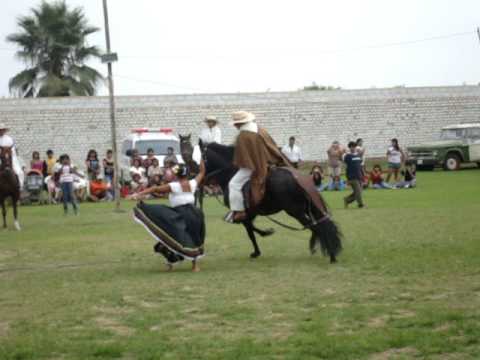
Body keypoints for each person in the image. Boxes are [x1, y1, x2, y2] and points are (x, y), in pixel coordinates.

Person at [130, 161, 206, 272]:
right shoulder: (192, 183)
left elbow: (155, 189)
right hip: (195, 214)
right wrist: (201, 160)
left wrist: (138, 194)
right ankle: (192, 265)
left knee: (172, 234)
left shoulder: (174, 186)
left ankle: (174, 262)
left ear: (177, 175)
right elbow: (202, 172)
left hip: (181, 214)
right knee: (192, 238)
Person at [226, 111, 290, 223]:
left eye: (236, 124)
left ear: (239, 123)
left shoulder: (243, 135)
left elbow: (244, 158)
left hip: (254, 166)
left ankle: (239, 211)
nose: (235, 126)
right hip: (269, 161)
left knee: (234, 184)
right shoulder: (260, 129)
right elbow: (271, 145)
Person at [0, 123, 24, 188]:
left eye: (2, 129)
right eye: (0, 130)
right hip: (0, 158)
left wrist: (9, 156)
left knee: (19, 172)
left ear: (5, 130)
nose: (1, 131)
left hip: (10, 157)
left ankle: (20, 187)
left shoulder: (9, 139)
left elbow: (12, 150)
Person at [342, 141, 364, 209]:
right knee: (358, 192)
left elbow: (360, 166)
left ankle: (347, 200)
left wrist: (362, 175)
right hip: (352, 177)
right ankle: (361, 205)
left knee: (359, 192)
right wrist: (347, 178)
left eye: (354, 146)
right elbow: (345, 163)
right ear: (350, 147)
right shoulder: (348, 156)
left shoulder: (358, 156)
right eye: (352, 147)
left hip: (359, 176)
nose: (353, 148)